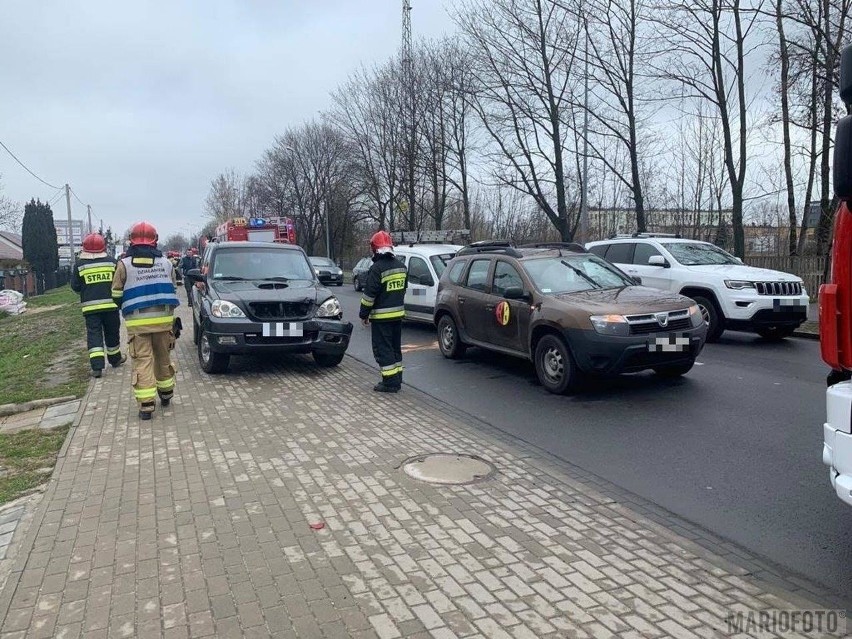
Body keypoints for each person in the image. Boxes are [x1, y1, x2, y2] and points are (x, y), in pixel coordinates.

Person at [111, 221, 180, 420]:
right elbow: (173, 288)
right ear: (155, 241)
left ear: (131, 241)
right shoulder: (166, 263)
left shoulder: (123, 265)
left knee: (143, 361)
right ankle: (166, 394)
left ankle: (146, 405)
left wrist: (124, 309)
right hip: (163, 322)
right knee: (163, 357)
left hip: (137, 324)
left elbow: (116, 293)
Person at [70, 233, 125, 378]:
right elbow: (120, 282)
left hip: (91, 309)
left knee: (94, 336)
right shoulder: (112, 262)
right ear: (103, 247)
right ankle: (115, 359)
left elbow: (75, 286)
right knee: (112, 333)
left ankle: (97, 368)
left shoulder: (79, 264)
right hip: (111, 306)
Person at [358, 230, 408, 393]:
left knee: (383, 349)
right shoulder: (402, 267)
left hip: (381, 318)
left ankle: (390, 383)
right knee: (395, 348)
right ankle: (397, 379)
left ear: (375, 249)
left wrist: (363, 314)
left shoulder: (377, 269)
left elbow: (369, 295)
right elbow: (403, 289)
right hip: (398, 316)